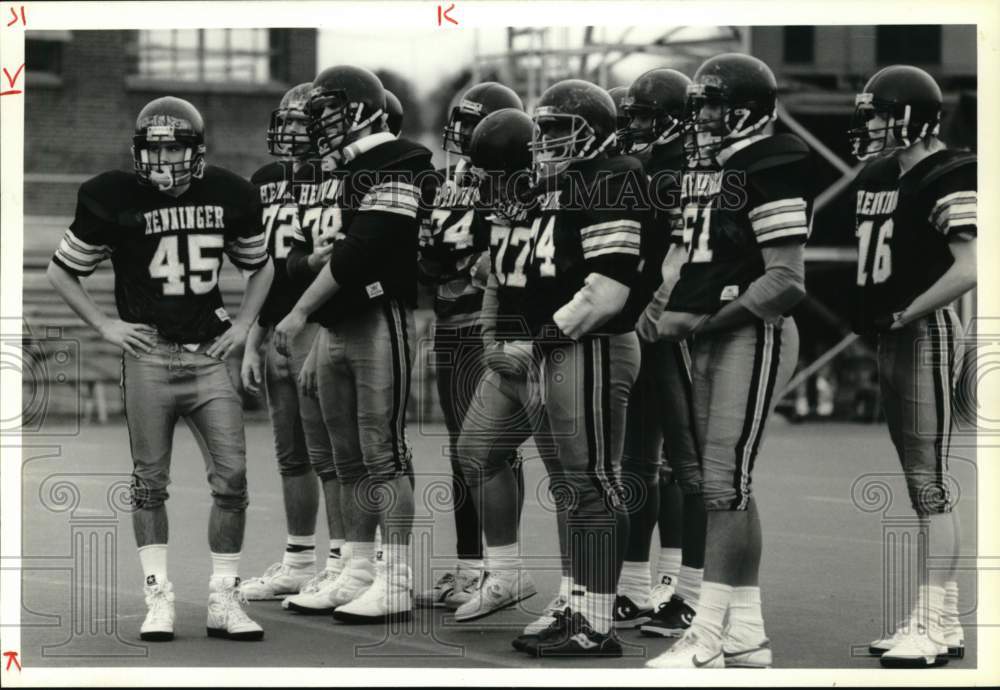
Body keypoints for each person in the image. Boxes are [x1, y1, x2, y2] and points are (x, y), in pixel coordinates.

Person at [47, 96, 274, 642]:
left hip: (207, 354)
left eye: (175, 147)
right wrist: (105, 327)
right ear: (138, 151)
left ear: (196, 151)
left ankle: (224, 596)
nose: (165, 158)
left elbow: (261, 266)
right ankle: (159, 596)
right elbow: (62, 272)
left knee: (233, 479)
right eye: (156, 148)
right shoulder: (112, 196)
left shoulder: (230, 193)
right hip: (147, 355)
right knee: (149, 483)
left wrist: (243, 326)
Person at [463, 79, 644, 657]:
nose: (544, 142)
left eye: (558, 130)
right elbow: (501, 275)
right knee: (555, 477)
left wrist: (534, 344)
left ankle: (596, 617)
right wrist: (499, 338)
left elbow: (609, 288)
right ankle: (577, 599)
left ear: (593, 132)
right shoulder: (556, 183)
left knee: (589, 483)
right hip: (550, 345)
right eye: (541, 130)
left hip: (588, 344)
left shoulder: (615, 175)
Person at [645, 53, 811, 669]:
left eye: (714, 103)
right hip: (713, 338)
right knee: (730, 487)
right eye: (699, 104)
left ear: (748, 107)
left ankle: (706, 635)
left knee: (724, 485)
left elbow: (787, 280)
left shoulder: (775, 161)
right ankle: (746, 629)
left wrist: (710, 322)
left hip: (753, 332)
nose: (703, 117)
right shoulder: (712, 169)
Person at [274, 65, 434, 624]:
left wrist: (300, 311)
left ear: (363, 108)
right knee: (347, 459)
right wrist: (310, 287)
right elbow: (293, 255)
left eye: (329, 109)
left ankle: (396, 577)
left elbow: (360, 252)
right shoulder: (333, 172)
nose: (319, 121)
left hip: (378, 314)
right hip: (338, 323)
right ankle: (358, 568)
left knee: (382, 452)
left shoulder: (403, 159)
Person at [848, 64, 974, 668]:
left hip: (923, 330)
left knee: (929, 483)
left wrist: (906, 312)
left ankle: (931, 620)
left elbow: (972, 265)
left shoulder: (951, 171)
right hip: (895, 332)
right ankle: (941, 617)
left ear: (911, 117)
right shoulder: (878, 174)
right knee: (918, 477)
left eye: (877, 113)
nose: (867, 124)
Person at [416, 81, 527, 611]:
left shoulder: (513, 184)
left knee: (490, 452)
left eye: (474, 124)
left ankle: (499, 567)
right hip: (450, 324)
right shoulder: (448, 181)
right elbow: (430, 260)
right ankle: (470, 566)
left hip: (488, 328)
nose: (461, 135)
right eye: (460, 123)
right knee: (464, 454)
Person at [238, 83, 346, 604]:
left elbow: (334, 266)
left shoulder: (342, 179)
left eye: (305, 121)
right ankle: (300, 560)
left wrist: (315, 324)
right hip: (278, 324)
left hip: (323, 323)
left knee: (335, 455)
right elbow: (263, 268)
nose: (293, 132)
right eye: (289, 121)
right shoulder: (265, 181)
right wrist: (255, 333)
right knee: (292, 454)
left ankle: (344, 562)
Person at [615, 67, 707, 635]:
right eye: (630, 117)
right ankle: (631, 584)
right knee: (637, 463)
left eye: (644, 116)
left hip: (672, 324)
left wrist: (656, 314)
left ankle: (686, 586)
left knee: (686, 463)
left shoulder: (685, 170)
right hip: (641, 324)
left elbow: (683, 253)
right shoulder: (645, 166)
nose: (633, 127)